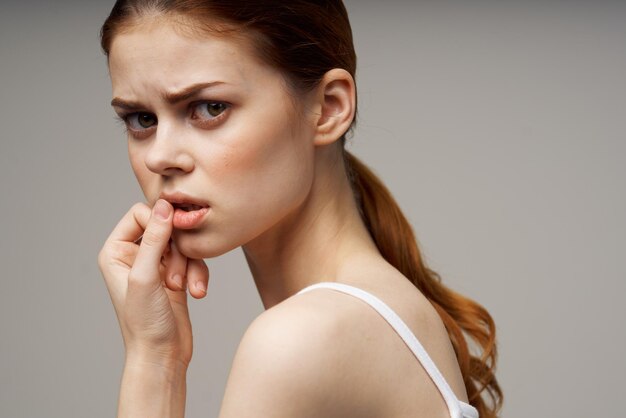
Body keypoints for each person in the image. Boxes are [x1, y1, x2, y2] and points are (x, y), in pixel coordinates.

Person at [97, 1, 502, 417]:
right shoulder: (372, 312)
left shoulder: (300, 340)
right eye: (141, 119)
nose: (160, 157)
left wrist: (151, 365)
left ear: (328, 108)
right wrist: (158, 352)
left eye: (210, 108)